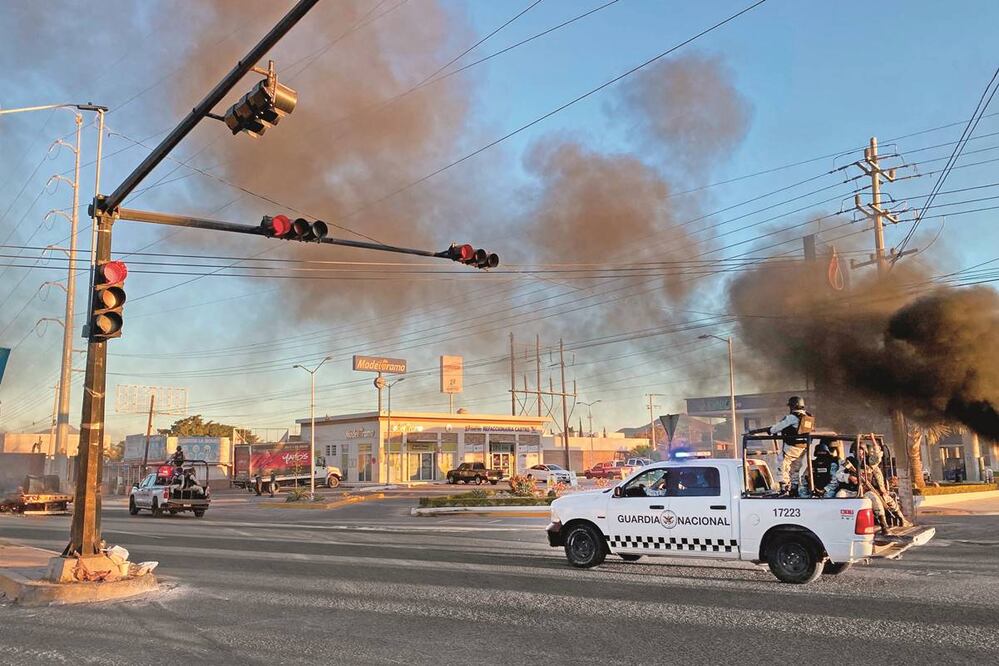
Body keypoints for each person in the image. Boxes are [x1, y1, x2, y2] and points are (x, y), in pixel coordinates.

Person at [763, 396, 813, 496]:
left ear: (793, 406)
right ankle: (794, 488)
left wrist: (770, 430)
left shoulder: (792, 417)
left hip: (791, 447)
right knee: (795, 468)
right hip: (803, 448)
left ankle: (784, 488)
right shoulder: (808, 417)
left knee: (781, 464)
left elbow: (776, 429)